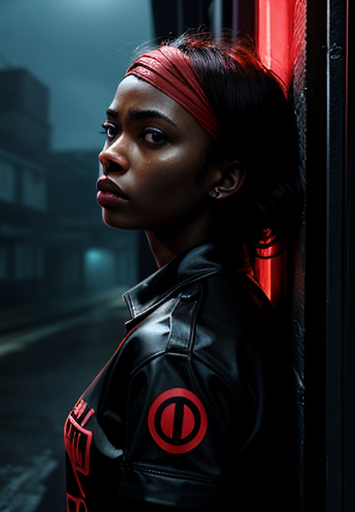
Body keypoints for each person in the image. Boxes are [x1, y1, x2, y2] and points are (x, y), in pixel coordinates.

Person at [64, 30, 300, 512]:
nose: (111, 153)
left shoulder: (179, 352)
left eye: (153, 136)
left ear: (225, 177)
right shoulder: (229, 300)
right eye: (112, 130)